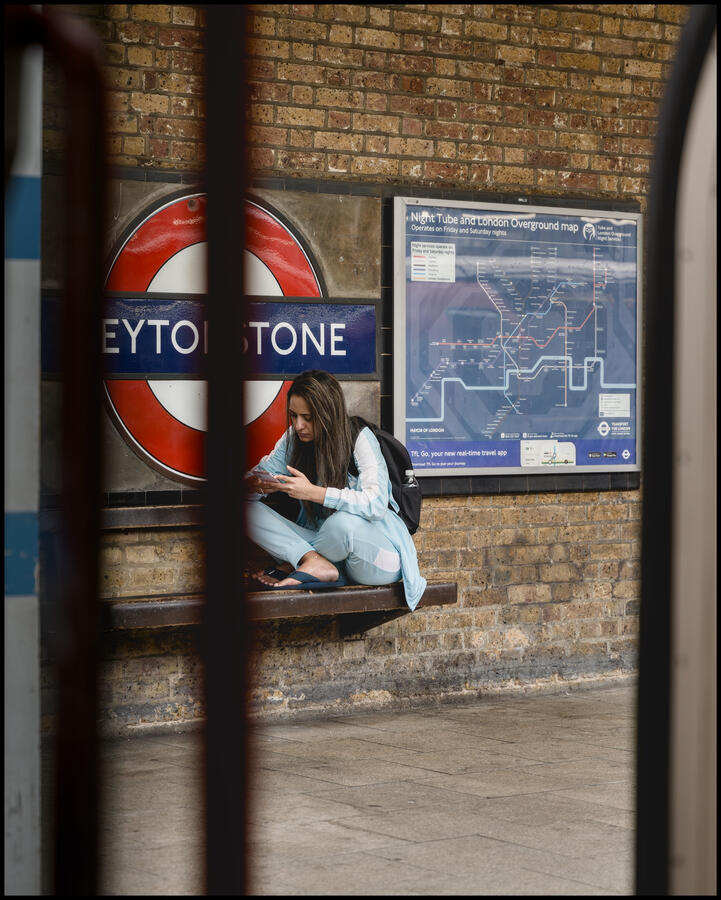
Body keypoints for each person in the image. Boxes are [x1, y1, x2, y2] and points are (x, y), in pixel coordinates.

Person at [244, 370, 427, 611]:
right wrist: (255, 486)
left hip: (376, 557)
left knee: (341, 524)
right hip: (327, 549)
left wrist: (314, 493)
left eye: (307, 417)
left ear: (327, 413)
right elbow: (259, 474)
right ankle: (311, 561)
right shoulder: (293, 440)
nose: (299, 425)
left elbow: (376, 503)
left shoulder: (359, 436)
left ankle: (301, 563)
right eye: (294, 416)